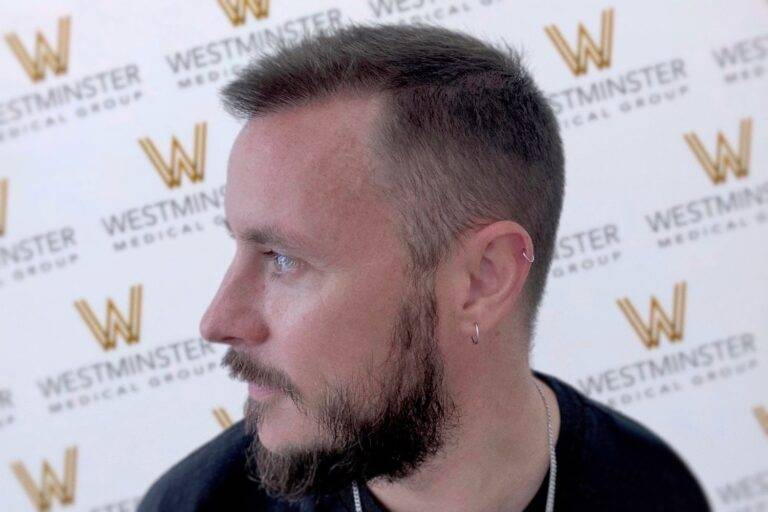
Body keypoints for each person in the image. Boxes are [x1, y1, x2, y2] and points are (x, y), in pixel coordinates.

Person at [138, 23, 711, 511]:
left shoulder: (656, 491)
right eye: (237, 245)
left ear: (483, 280)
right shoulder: (193, 504)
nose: (217, 321)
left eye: (284, 260)